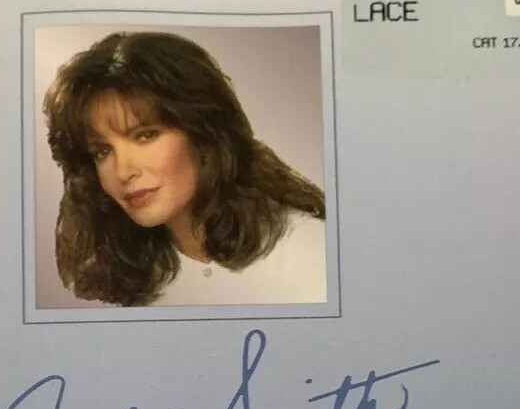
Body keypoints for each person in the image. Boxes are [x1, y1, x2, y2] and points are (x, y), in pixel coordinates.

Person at [41, 31, 328, 308]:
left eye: (145, 136)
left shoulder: (311, 253)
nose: (123, 172)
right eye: (102, 152)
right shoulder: (118, 281)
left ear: (203, 134)